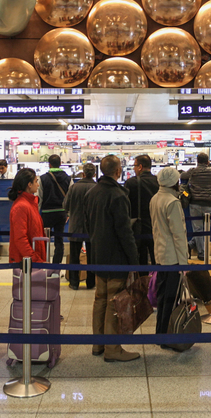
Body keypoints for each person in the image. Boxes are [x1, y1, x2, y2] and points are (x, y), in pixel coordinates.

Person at [84, 155, 139, 362]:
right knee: (114, 300)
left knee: (100, 298)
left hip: (98, 254)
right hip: (116, 256)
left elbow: (89, 225)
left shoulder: (92, 193)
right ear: (118, 171)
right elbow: (124, 232)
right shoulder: (118, 195)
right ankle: (112, 348)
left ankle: (98, 344)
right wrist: (134, 260)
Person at [150, 166, 189, 341]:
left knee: (162, 296)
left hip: (159, 254)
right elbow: (178, 235)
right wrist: (184, 263)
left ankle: (160, 332)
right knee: (171, 298)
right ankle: (167, 336)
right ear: (175, 182)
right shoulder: (172, 202)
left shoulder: (155, 198)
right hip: (172, 257)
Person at [180, 153, 211, 260]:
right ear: (208, 161)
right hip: (208, 203)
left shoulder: (193, 171)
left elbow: (182, 176)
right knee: (206, 229)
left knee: (197, 229)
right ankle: (199, 251)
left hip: (194, 203)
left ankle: (195, 248)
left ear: (197, 161)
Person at [64, 162, 97, 290]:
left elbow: (65, 205)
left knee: (74, 255)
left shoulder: (74, 187)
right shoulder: (97, 187)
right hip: (92, 227)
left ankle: (74, 282)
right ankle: (90, 282)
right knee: (92, 256)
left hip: (75, 226)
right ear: (94, 174)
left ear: (83, 173)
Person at [125, 155, 159, 265]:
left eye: (134, 166)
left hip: (138, 228)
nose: (134, 169)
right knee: (157, 259)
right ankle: (156, 281)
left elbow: (126, 205)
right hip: (156, 227)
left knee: (141, 260)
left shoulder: (131, 183)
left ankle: (142, 281)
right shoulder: (159, 182)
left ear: (140, 167)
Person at [8, 169, 46, 263]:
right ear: (29, 184)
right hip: (25, 261)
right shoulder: (21, 206)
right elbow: (20, 238)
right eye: (36, 181)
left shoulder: (30, 203)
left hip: (32, 258)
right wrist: (35, 259)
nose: (38, 184)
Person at [38, 155, 70, 266]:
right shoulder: (68, 178)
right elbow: (70, 197)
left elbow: (39, 198)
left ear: (49, 164)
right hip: (61, 213)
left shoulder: (42, 179)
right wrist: (68, 212)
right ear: (60, 163)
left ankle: (44, 263)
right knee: (59, 241)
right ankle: (56, 267)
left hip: (47, 213)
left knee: (43, 240)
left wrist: (37, 214)